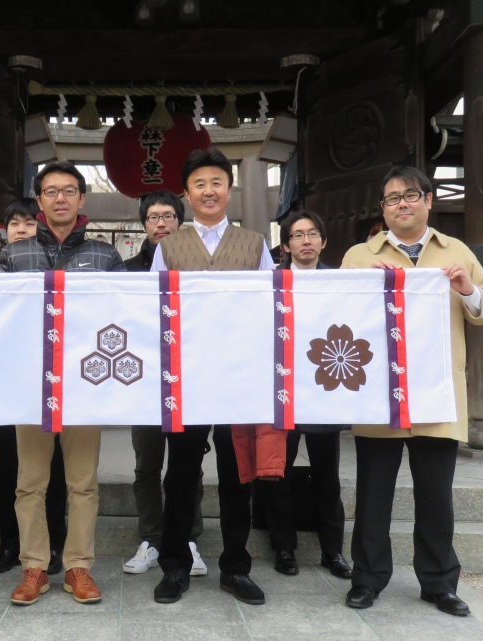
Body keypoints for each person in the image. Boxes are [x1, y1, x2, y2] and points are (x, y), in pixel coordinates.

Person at [341, 166, 483, 617]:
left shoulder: (456, 252)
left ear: (429, 200)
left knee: (436, 495)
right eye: (392, 199)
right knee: (374, 493)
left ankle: (438, 583)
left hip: (438, 395)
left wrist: (467, 289)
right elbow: (336, 314)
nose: (402, 204)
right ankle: (368, 579)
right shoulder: (359, 256)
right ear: (383, 209)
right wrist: (362, 288)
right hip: (379, 395)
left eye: (410, 195)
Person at [0, 161, 125, 606]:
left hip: (87, 384)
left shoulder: (105, 256)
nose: (61, 199)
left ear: (82, 199)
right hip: (31, 384)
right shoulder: (13, 255)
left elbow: (125, 316)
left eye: (69, 190)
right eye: (51, 192)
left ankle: (78, 567)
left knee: (82, 482)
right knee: (30, 481)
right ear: (39, 200)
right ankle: (34, 568)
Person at [150, 147, 275, 605]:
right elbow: (154, 310)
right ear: (187, 193)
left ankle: (236, 567)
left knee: (236, 472)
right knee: (180, 472)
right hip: (185, 376)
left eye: (216, 182)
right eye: (199, 184)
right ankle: (175, 565)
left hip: (239, 376)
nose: (208, 190)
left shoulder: (256, 243)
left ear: (230, 190)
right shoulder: (168, 246)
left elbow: (271, 308)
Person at [259, 210, 352, 580]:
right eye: (297, 236)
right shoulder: (272, 282)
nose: (306, 241)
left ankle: (333, 551)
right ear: (286, 245)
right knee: (278, 471)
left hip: (326, 386)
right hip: (282, 386)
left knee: (327, 473)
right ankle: (283, 547)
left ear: (324, 241)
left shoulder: (342, 282)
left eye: (313, 234)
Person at [121, 190, 207, 577]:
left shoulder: (197, 266)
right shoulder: (126, 271)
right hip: (144, 381)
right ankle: (151, 538)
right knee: (147, 464)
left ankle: (189, 538)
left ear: (180, 221)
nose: (161, 223)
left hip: (190, 377)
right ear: (143, 224)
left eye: (169, 216)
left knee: (189, 466)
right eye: (153, 216)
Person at [0, 197, 69, 578]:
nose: (20, 230)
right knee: (8, 470)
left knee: (52, 471)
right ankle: (10, 543)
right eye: (13, 224)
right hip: (7, 383)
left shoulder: (54, 266)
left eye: (28, 224)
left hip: (51, 382)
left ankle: (54, 543)